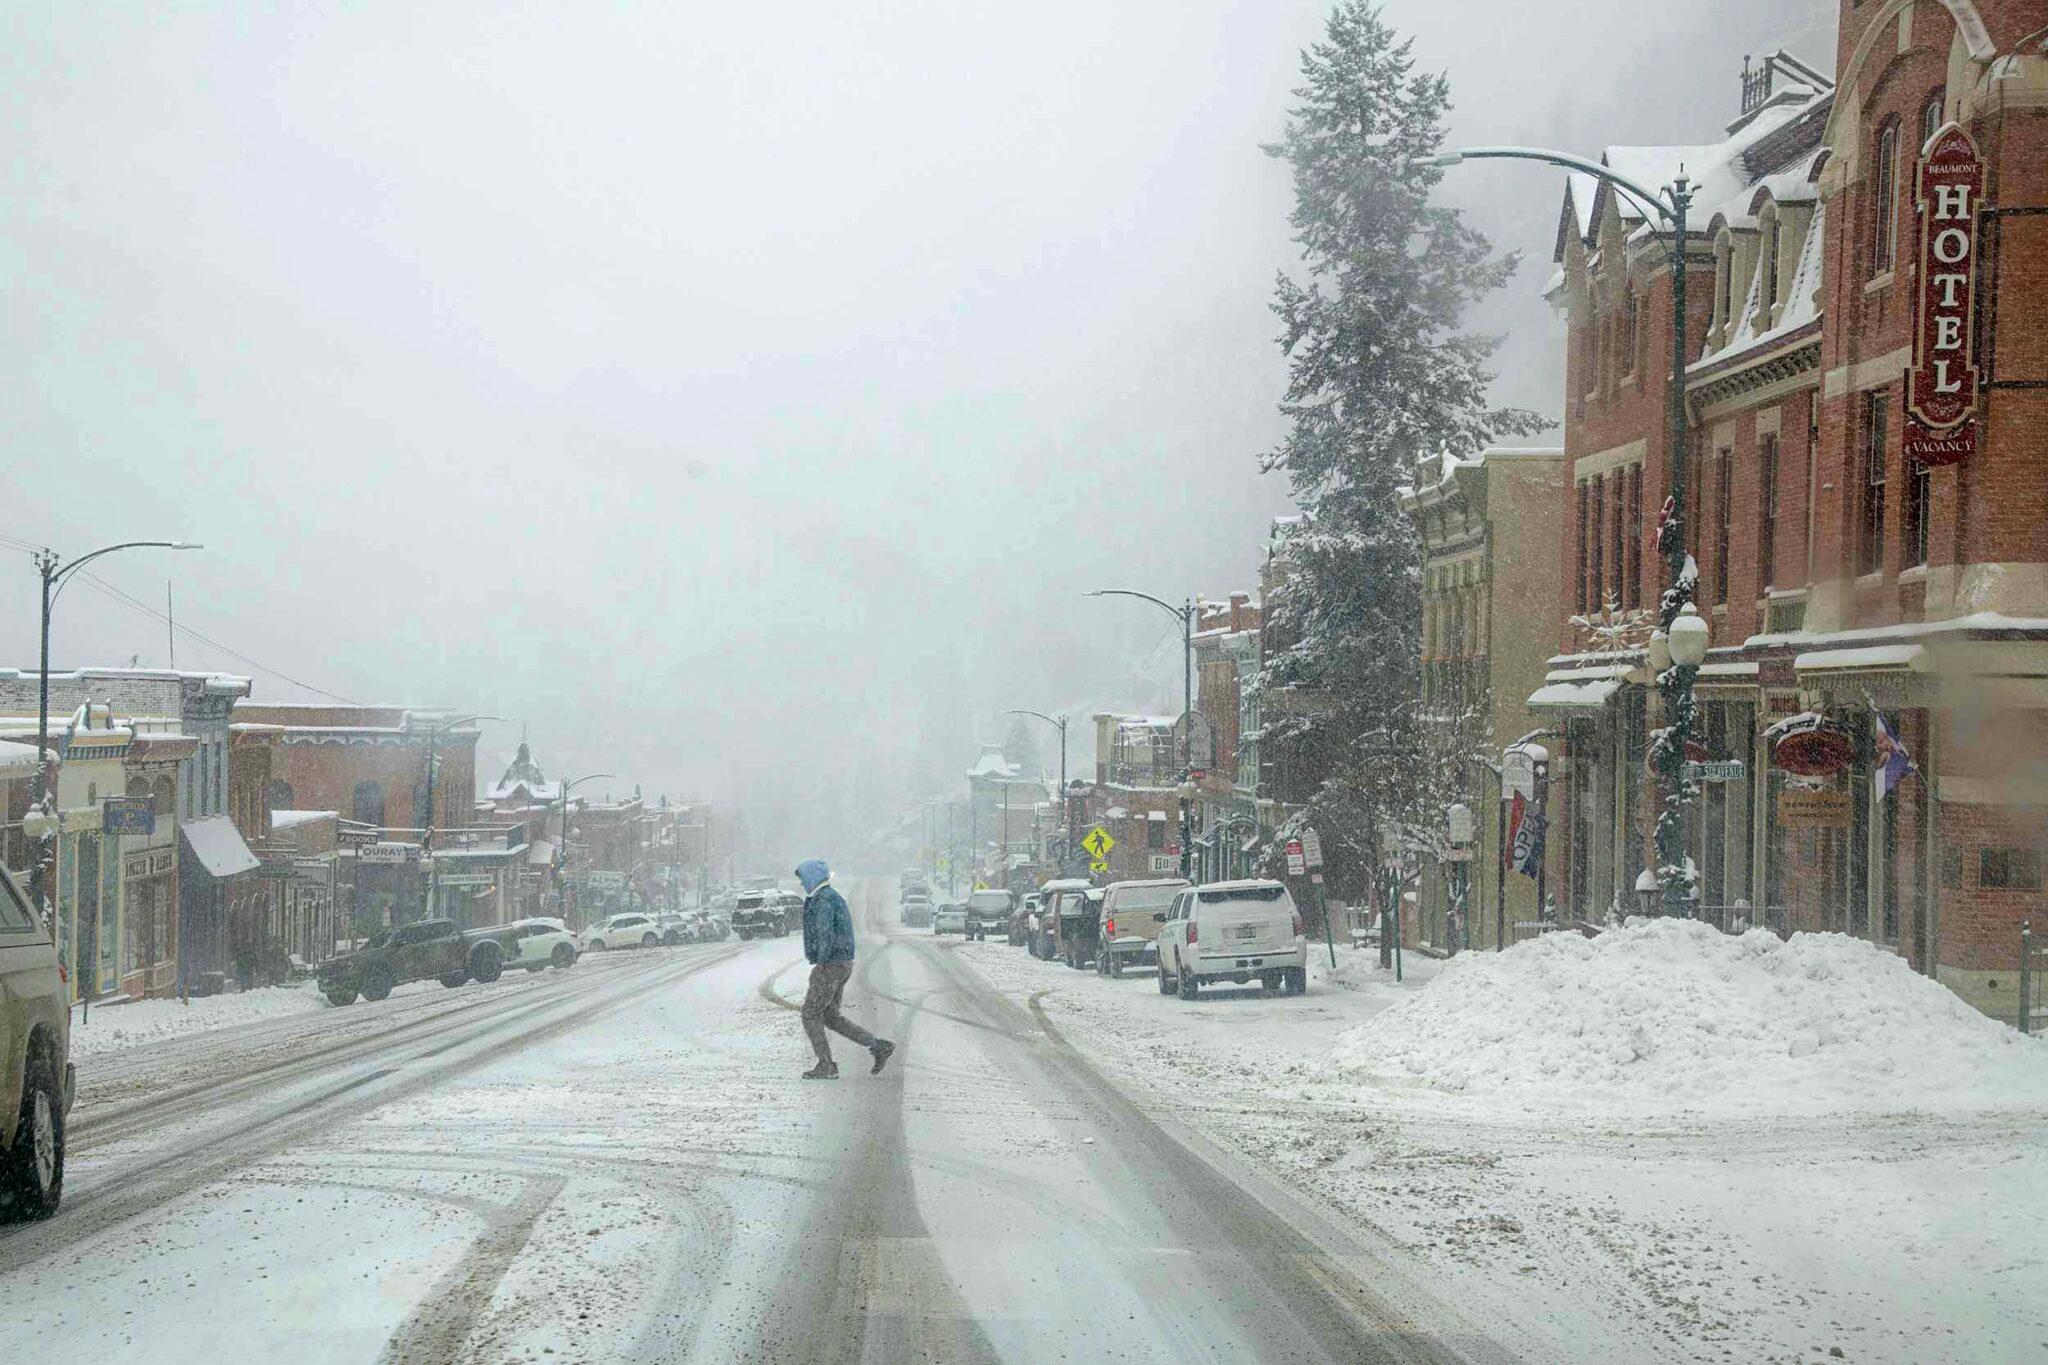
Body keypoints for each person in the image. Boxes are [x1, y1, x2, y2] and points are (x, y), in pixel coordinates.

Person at [795, 860, 894, 1080]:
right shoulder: (829, 897)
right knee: (830, 1016)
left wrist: (821, 961)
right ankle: (878, 1046)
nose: (802, 883)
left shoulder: (824, 900)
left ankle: (826, 1064)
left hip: (830, 964)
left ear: (812, 877)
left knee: (810, 1014)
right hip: (841, 962)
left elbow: (824, 932)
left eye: (803, 879)